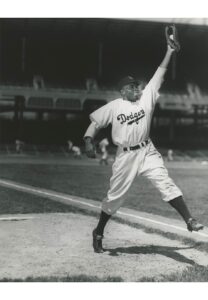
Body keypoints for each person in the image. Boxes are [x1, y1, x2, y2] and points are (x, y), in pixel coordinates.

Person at [83, 29, 204, 253]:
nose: (136, 88)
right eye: (131, 86)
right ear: (122, 91)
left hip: (147, 150)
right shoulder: (114, 106)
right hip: (125, 155)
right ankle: (98, 230)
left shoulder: (146, 98)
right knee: (115, 198)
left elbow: (160, 73)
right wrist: (88, 140)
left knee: (164, 182)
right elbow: (95, 123)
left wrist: (169, 52)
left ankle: (189, 220)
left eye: (137, 85)